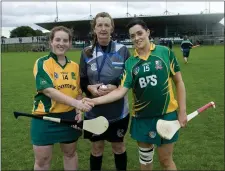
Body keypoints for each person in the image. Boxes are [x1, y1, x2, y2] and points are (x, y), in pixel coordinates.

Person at [84, 18, 187, 171]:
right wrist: (94, 102)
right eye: (132, 36)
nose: (137, 38)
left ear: (147, 32)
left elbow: (179, 82)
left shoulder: (164, 53)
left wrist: (182, 112)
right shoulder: (130, 63)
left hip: (166, 116)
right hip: (142, 119)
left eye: (139, 33)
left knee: (166, 161)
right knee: (145, 163)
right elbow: (120, 91)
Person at [31, 26, 94, 170]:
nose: (61, 43)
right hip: (45, 118)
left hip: (69, 117)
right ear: (51, 42)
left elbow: (78, 92)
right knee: (42, 160)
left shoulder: (74, 67)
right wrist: (77, 104)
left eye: (65, 40)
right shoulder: (42, 63)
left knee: (70, 154)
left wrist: (78, 111)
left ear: (70, 43)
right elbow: (48, 90)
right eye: (57, 39)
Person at [79, 12, 131, 171]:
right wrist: (89, 88)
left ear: (112, 28)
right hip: (93, 111)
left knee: (119, 147)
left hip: (118, 111)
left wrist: (115, 85)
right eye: (99, 25)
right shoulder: (86, 52)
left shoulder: (122, 50)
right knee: (96, 149)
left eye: (106, 25)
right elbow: (82, 79)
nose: (103, 28)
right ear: (94, 28)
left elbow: (127, 75)